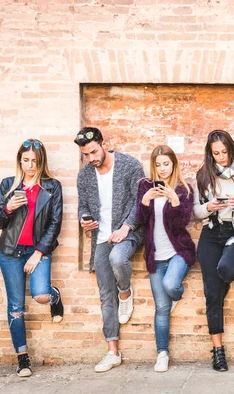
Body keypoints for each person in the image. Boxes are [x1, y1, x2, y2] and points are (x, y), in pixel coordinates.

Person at [74, 127, 145, 373]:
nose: (92, 158)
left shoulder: (129, 165)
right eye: (86, 154)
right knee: (105, 294)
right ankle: (112, 352)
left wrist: (126, 227)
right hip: (101, 238)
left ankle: (125, 292)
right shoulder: (84, 176)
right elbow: (83, 206)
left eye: (94, 151)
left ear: (104, 144)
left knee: (118, 258)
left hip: (128, 232)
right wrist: (85, 219)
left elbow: (141, 201)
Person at [0, 139, 64, 377]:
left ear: (41, 161)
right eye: (26, 160)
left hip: (38, 251)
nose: (30, 165)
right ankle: (22, 358)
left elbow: (55, 224)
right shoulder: (7, 185)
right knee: (16, 307)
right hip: (10, 253)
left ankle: (54, 296)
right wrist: (8, 207)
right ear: (20, 160)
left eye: (34, 161)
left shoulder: (52, 187)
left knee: (41, 295)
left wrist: (38, 253)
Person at [193, 130, 234, 372]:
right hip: (211, 233)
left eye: (224, 151)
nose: (221, 157)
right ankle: (217, 350)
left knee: (226, 271)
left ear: (231, 149)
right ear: (210, 153)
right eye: (216, 153)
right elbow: (196, 212)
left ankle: (221, 283)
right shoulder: (203, 175)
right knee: (211, 293)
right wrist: (209, 207)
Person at [136, 145, 195, 373]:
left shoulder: (183, 189)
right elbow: (140, 220)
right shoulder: (144, 186)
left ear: (174, 163)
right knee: (161, 308)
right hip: (155, 256)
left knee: (171, 286)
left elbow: (181, 224)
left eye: (166, 164)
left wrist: (175, 201)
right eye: (158, 164)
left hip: (178, 252)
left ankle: (175, 294)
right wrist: (144, 201)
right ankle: (162, 353)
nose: (162, 169)